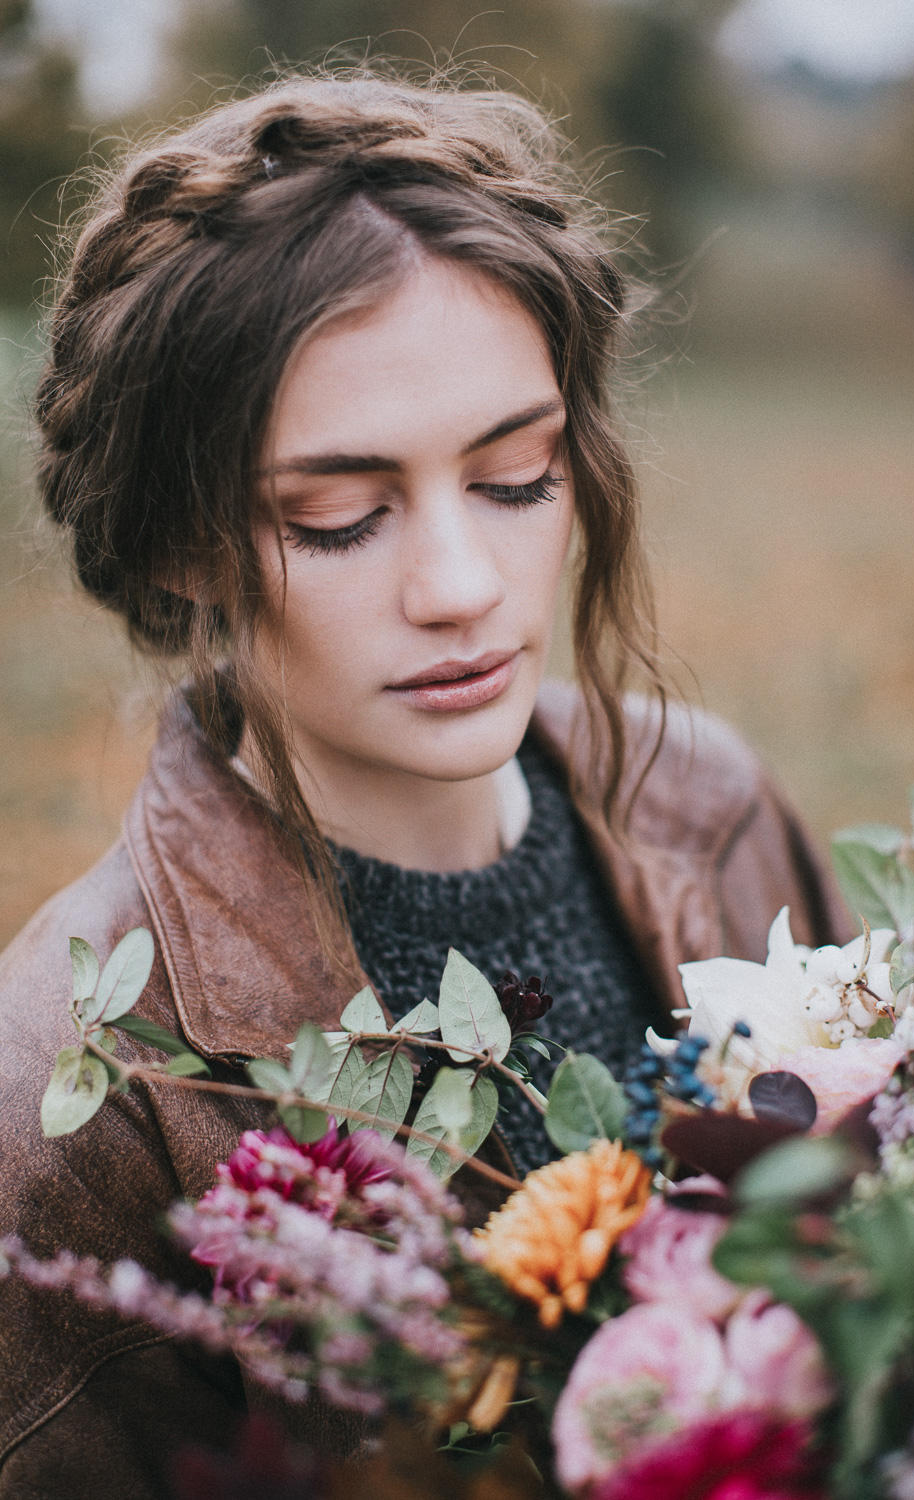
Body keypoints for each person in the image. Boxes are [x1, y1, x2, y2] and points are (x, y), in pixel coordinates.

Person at [0, 69, 846, 1497]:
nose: (462, 589)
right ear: (178, 544)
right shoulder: (80, 1102)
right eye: (336, 516)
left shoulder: (719, 808)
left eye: (517, 477)